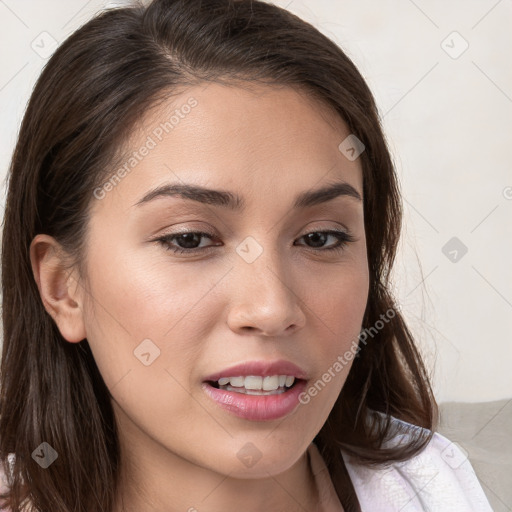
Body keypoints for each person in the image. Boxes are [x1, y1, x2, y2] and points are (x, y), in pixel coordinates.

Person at [0, 0, 493, 511]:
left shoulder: (443, 490)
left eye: (321, 237)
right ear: (63, 287)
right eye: (190, 239)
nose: (272, 308)